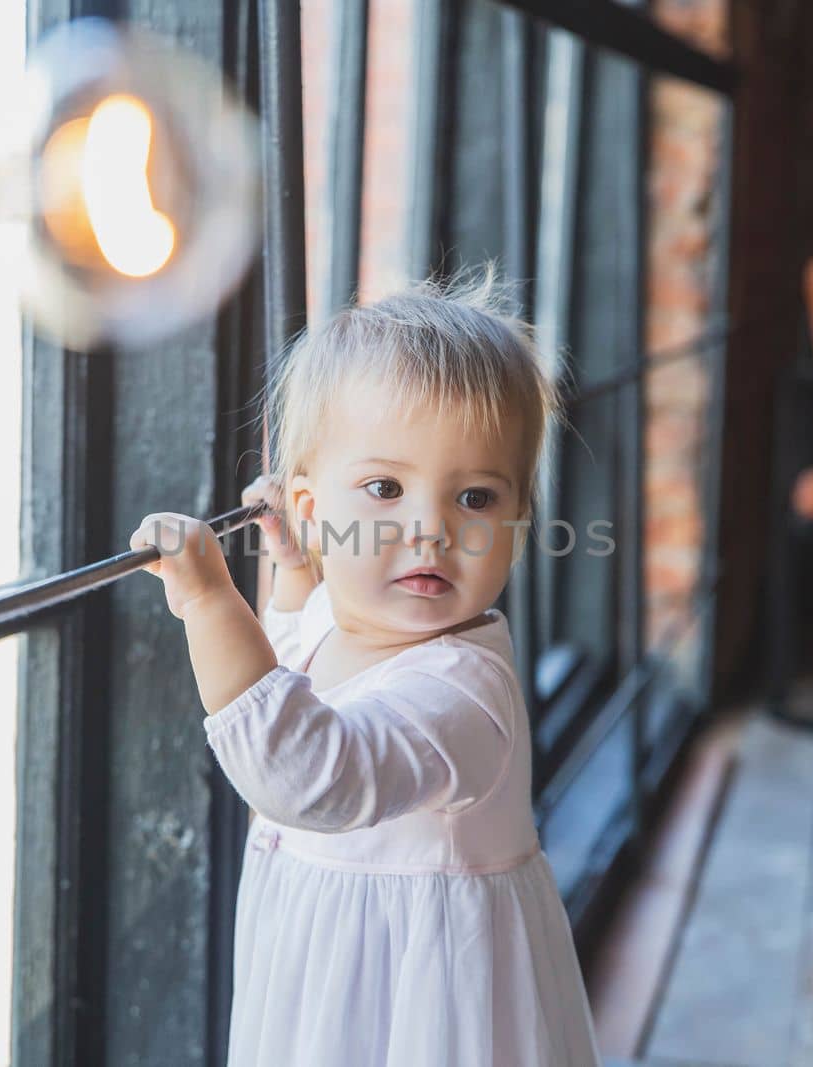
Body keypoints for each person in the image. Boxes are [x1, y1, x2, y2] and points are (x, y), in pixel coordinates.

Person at [127, 271, 603, 1066]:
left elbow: (310, 770)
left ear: (520, 522)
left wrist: (210, 603)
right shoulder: (345, 618)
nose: (430, 529)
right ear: (313, 512)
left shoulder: (464, 692)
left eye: (477, 499)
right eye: (385, 487)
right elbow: (297, 652)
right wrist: (292, 571)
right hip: (330, 976)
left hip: (429, 1010)